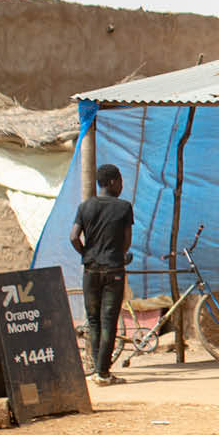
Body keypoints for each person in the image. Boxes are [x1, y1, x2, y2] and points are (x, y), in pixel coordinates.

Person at [70, 163, 133, 385]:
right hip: (113, 271)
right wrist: (117, 254)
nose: (122, 185)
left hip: (90, 271)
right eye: (121, 181)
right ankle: (103, 373)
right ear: (113, 181)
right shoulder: (124, 208)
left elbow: (73, 237)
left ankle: (97, 369)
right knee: (108, 322)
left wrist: (87, 253)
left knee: (94, 321)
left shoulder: (85, 206)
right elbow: (127, 242)